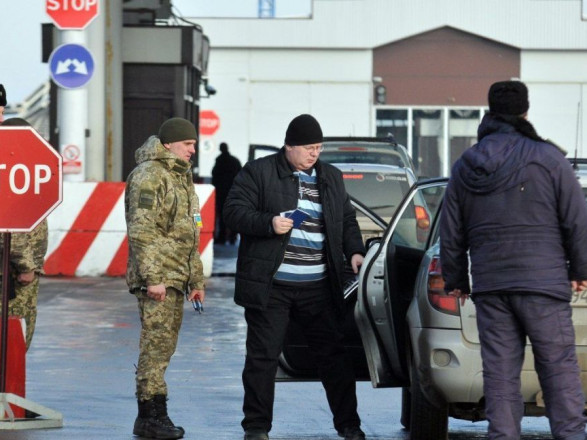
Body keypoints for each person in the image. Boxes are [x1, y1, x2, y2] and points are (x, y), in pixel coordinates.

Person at [440, 80, 587, 440]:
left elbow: (451, 229)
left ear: (489, 112)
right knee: (558, 373)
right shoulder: (549, 158)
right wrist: (581, 269)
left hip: (492, 286)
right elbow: (576, 219)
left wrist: (457, 279)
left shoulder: (465, 166)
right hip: (543, 285)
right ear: (525, 111)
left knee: (501, 377)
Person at [224, 114, 367, 440]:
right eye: (307, 148)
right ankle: (257, 428)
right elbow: (233, 211)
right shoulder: (259, 172)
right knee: (262, 359)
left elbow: (346, 218)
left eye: (318, 147)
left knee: (334, 357)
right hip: (272, 286)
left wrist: (355, 251)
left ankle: (349, 426)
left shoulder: (329, 177)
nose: (314, 154)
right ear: (288, 147)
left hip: (318, 286)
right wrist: (269, 223)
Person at [125, 117, 206, 440]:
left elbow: (190, 234)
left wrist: (195, 281)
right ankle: (149, 415)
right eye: (188, 144)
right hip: (158, 278)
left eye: (194, 144)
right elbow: (142, 231)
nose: (192, 150)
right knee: (155, 348)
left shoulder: (180, 178)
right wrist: (153, 277)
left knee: (164, 348)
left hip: (177, 276)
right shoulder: (149, 175)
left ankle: (157, 412)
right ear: (169, 143)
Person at [0, 117, 49, 351]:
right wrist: (26, 266)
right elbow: (11, 226)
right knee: (13, 342)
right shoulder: (10, 173)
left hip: (14, 273)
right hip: (13, 278)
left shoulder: (18, 170)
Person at [211, 142, 242, 244]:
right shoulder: (234, 160)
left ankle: (222, 237)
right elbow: (241, 175)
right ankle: (233, 237)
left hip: (221, 192)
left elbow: (214, 175)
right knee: (233, 214)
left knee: (222, 215)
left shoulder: (219, 160)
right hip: (233, 192)